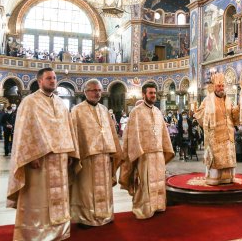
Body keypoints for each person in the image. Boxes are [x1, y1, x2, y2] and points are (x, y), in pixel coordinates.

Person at [7, 68, 79, 241]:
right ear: (39, 81)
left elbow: (66, 128)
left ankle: (58, 231)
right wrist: (30, 156)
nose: (53, 81)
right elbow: (25, 131)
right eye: (49, 78)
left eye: (54, 78)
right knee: (39, 197)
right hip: (39, 159)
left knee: (59, 197)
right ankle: (36, 233)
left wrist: (70, 153)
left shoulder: (61, 103)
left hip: (60, 159)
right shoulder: (29, 102)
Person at [70, 79, 124, 227]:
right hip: (87, 156)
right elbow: (73, 134)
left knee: (104, 188)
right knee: (87, 189)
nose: (97, 93)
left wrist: (114, 152)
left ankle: (105, 215)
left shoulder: (104, 110)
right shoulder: (77, 110)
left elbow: (112, 133)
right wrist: (75, 155)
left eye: (99, 90)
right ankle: (86, 217)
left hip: (105, 156)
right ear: (86, 92)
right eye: (94, 90)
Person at [119, 83, 174, 219]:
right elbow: (131, 135)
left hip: (158, 153)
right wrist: (137, 153)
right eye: (150, 93)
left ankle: (158, 205)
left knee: (159, 181)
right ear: (144, 94)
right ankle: (143, 208)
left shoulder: (157, 111)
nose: (153, 95)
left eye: (154, 93)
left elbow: (163, 132)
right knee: (145, 182)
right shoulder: (136, 112)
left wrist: (165, 148)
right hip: (144, 154)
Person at [194, 73, 242, 185]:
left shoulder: (228, 100)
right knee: (217, 159)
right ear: (214, 87)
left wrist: (238, 107)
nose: (221, 88)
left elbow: (233, 115)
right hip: (215, 136)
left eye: (223, 86)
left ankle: (228, 178)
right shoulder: (208, 100)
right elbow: (199, 115)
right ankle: (215, 179)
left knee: (228, 157)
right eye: (219, 86)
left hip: (228, 134)